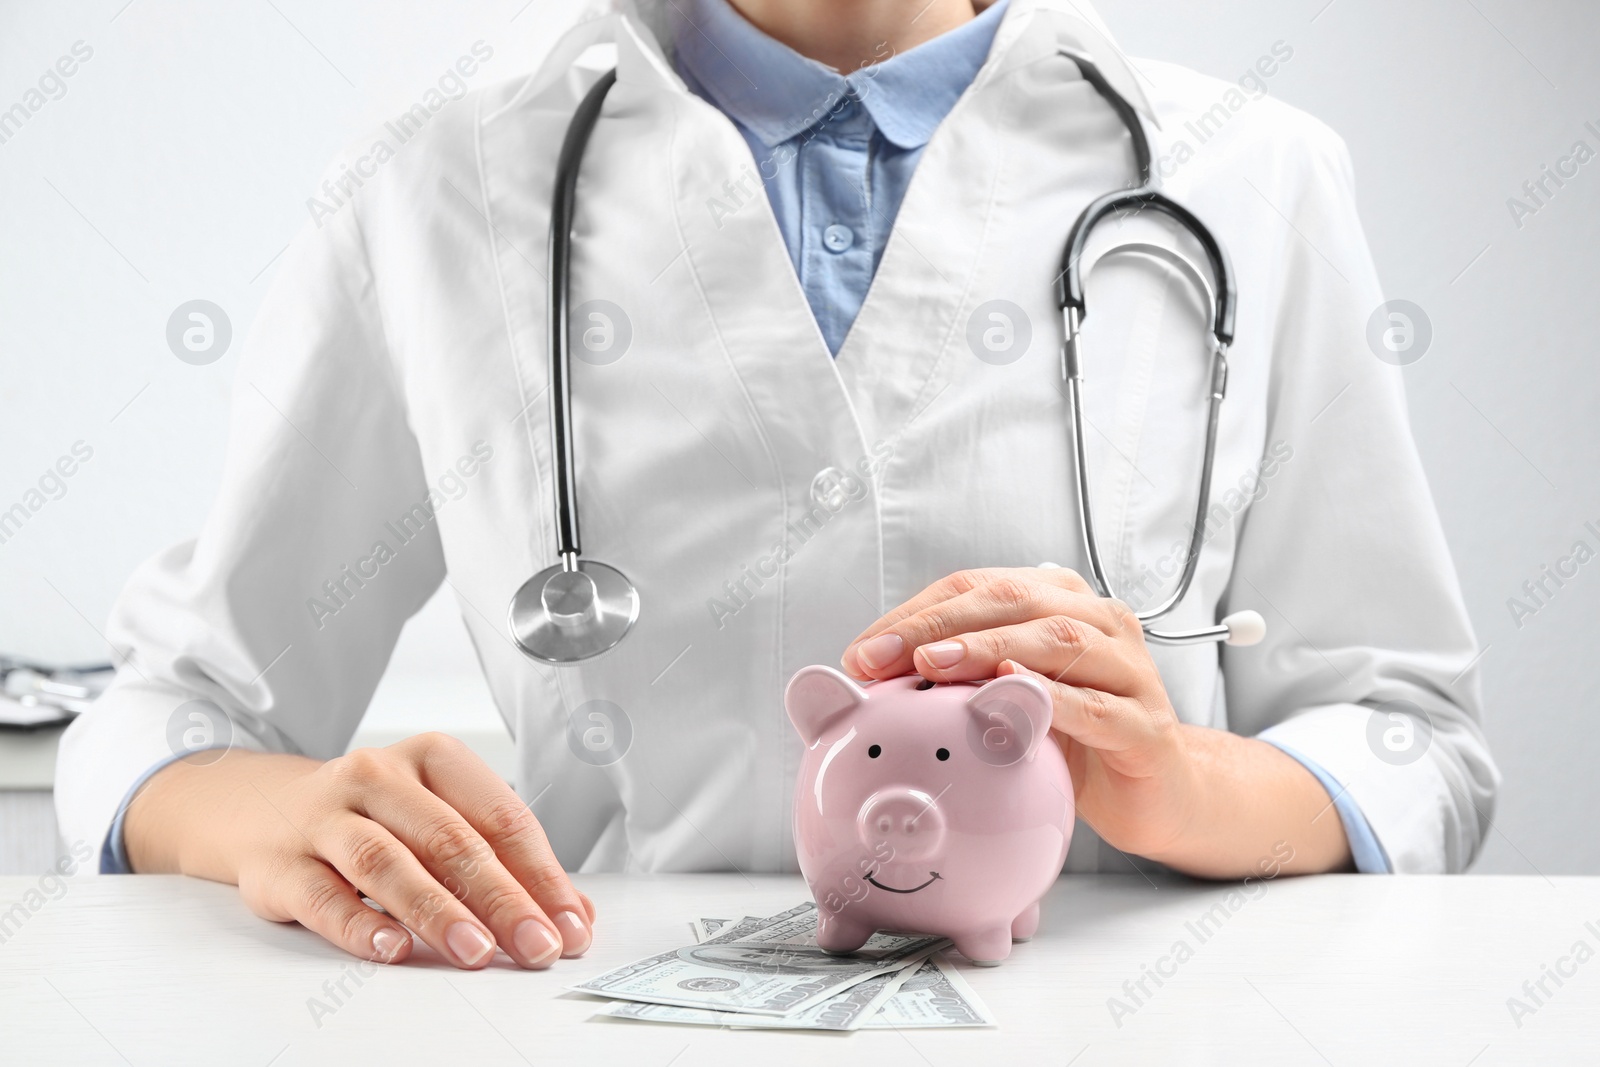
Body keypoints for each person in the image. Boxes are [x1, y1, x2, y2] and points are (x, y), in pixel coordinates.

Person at [56, 0, 1499, 972]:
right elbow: (170, 716)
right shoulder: (440, 182)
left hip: (1111, 1021)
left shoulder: (1248, 174)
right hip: (603, 1013)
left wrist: (1185, 784)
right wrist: (277, 817)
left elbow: (1411, 739)